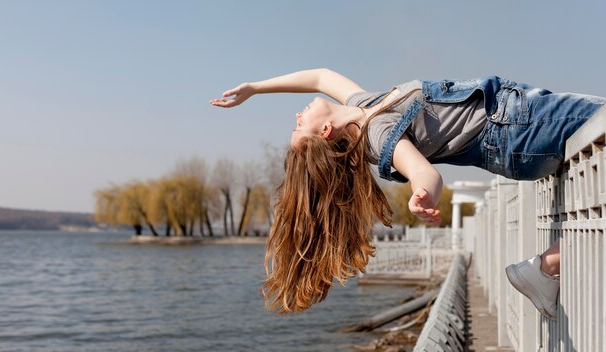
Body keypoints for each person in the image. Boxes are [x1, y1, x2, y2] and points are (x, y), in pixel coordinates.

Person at [210, 68, 605, 317]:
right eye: (299, 126)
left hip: (521, 119)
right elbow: (424, 172)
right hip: (519, 128)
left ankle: (549, 264)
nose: (296, 116)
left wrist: (255, 88)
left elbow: (319, 76)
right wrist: (423, 194)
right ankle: (546, 266)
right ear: (325, 131)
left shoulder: (363, 106)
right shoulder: (378, 134)